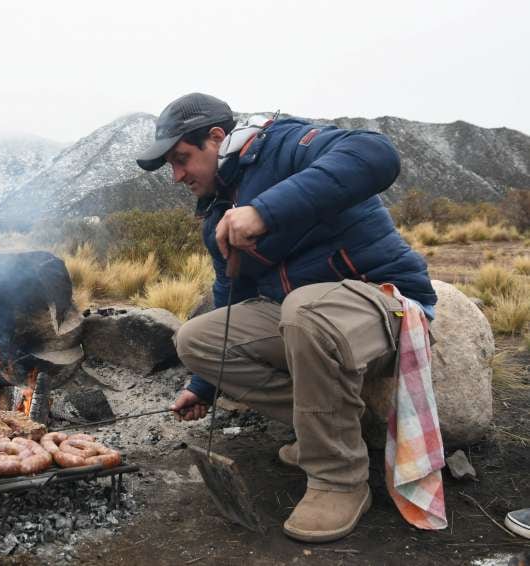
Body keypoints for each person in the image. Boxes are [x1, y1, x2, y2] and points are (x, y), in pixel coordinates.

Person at [136, 93, 437, 542]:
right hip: (308, 322)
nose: (178, 176)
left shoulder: (285, 143)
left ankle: (339, 479)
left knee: (303, 311)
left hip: (383, 302)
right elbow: (232, 295)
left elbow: (377, 155)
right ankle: (324, 434)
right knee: (196, 339)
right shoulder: (218, 213)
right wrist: (202, 384)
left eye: (182, 159)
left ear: (216, 139)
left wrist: (265, 210)